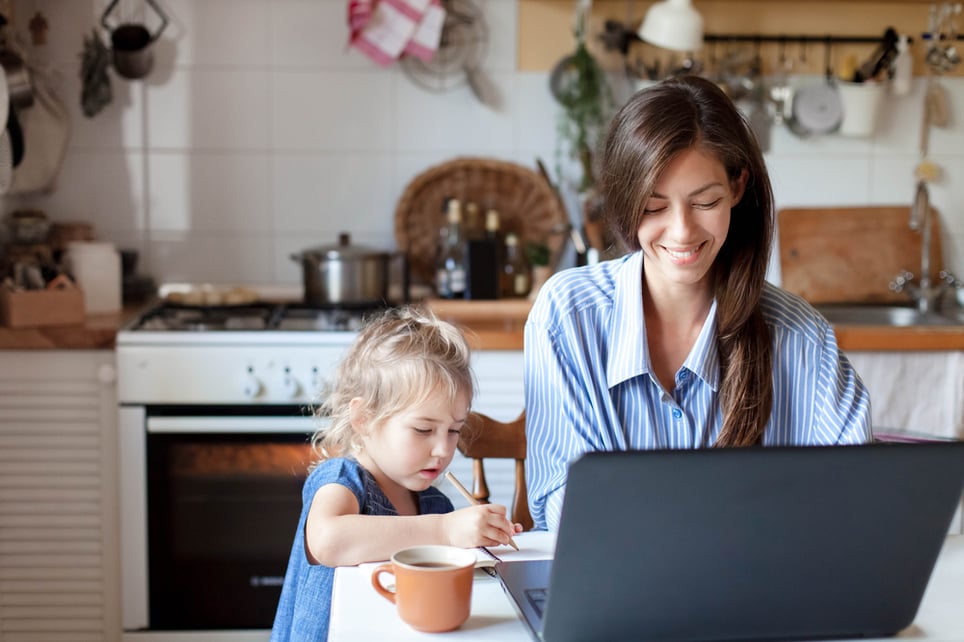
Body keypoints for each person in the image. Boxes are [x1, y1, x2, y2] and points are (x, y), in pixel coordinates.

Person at [524, 75, 872, 532]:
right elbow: (563, 508)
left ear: (738, 187)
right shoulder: (566, 316)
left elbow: (856, 498)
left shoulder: (800, 336)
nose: (682, 231)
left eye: (705, 201)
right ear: (626, 201)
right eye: (654, 206)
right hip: (623, 594)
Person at [271, 306, 520, 641]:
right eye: (422, 430)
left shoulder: (434, 503)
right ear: (364, 419)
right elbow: (329, 541)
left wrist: (480, 539)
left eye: (454, 431)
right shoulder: (343, 479)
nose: (443, 450)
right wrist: (446, 531)